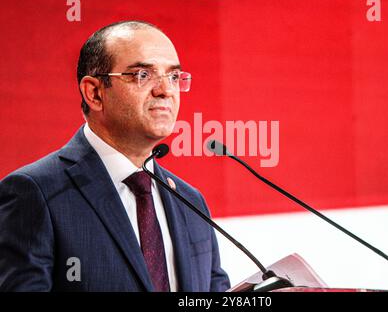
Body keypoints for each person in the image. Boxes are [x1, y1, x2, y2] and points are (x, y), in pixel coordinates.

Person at [0, 20, 230, 292]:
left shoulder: (190, 201)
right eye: (143, 75)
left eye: (174, 77)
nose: (166, 90)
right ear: (95, 93)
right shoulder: (35, 193)